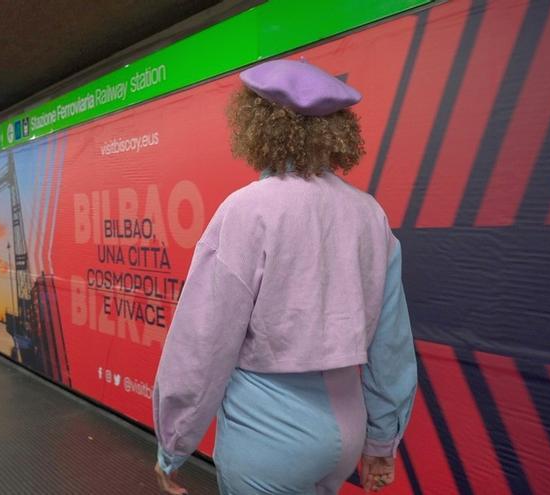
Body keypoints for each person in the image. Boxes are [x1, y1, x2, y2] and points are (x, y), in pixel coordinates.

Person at [152, 60, 417, 495]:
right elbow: (391, 346)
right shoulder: (370, 214)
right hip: (347, 427)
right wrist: (381, 440)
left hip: (268, 433)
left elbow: (203, 344)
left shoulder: (247, 210)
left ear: (256, 125)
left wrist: (174, 445)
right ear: (338, 130)